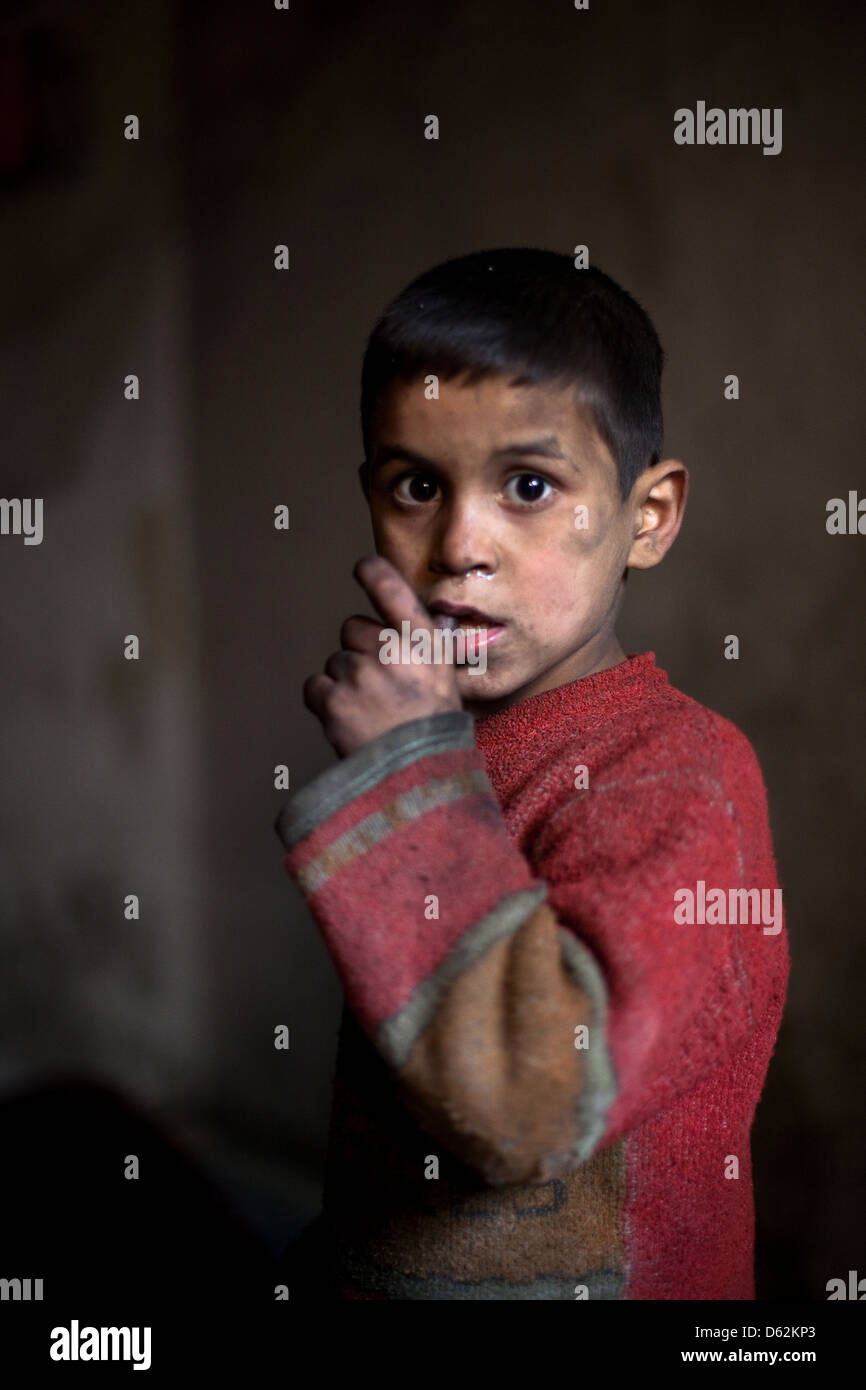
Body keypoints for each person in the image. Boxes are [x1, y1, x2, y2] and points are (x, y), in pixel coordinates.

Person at [274, 247, 789, 1300]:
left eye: (528, 485)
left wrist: (401, 772)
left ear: (646, 517)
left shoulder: (682, 775)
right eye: (418, 486)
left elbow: (529, 1106)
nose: (459, 544)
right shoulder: (453, 746)